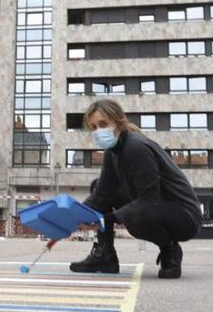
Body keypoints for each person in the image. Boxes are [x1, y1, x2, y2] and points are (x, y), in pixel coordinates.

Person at [71, 99, 203, 279]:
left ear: (119, 122)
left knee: (137, 216)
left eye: (103, 124)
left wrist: (105, 219)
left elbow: (149, 200)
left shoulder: (136, 147)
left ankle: (169, 249)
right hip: (156, 206)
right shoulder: (112, 152)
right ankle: (105, 255)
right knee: (98, 186)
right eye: (93, 127)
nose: (98, 131)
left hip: (184, 216)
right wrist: (74, 217)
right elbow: (101, 194)